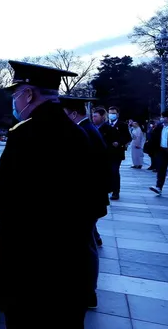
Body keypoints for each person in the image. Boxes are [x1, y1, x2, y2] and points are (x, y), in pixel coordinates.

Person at [0, 60, 95, 327]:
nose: (14, 101)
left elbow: (10, 200)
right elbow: (50, 184)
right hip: (70, 261)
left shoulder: (26, 134)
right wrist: (7, 171)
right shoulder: (75, 133)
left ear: (29, 94)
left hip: (32, 266)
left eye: (16, 94)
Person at [60, 96, 109, 309]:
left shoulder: (84, 132)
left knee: (84, 248)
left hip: (85, 201)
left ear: (72, 113)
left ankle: (87, 293)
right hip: (90, 199)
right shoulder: (88, 129)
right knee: (87, 246)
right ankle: (88, 292)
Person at [149, 110, 168, 195]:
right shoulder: (159, 126)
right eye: (162, 117)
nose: (162, 118)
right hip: (161, 150)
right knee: (161, 168)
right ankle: (159, 187)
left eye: (164, 117)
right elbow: (153, 136)